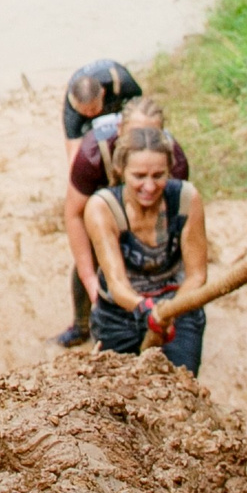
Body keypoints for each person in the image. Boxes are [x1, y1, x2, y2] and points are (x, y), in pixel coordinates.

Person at [58, 95, 191, 347]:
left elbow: (178, 219)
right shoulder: (93, 154)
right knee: (91, 265)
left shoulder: (175, 161)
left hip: (147, 221)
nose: (142, 146)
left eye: (151, 136)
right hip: (101, 216)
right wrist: (90, 280)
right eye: (134, 136)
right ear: (119, 130)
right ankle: (81, 324)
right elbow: (74, 213)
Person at [83, 122, 209, 374]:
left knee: (179, 390)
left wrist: (169, 312)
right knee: (114, 394)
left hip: (177, 308)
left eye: (158, 176)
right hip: (120, 315)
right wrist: (145, 309)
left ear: (170, 171)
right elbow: (117, 283)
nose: (149, 187)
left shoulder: (187, 199)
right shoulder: (102, 207)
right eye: (139, 176)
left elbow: (197, 275)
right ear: (121, 170)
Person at [62, 58, 143, 159]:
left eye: (93, 109)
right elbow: (73, 146)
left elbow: (142, 111)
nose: (89, 114)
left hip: (116, 99)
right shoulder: (71, 104)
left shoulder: (122, 82)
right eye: (84, 111)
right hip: (87, 121)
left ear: (102, 93)